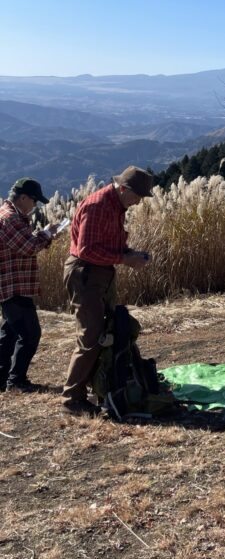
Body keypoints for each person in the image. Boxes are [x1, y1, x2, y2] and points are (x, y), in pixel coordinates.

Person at [61, 166, 154, 415]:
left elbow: (107, 245)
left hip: (100, 274)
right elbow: (86, 251)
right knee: (90, 338)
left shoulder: (116, 206)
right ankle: (72, 399)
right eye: (137, 196)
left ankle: (98, 387)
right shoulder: (99, 206)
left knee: (105, 332)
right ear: (123, 188)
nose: (138, 203)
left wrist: (129, 254)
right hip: (86, 274)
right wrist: (125, 260)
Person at [0, 178, 60, 391]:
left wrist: (41, 234)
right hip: (13, 286)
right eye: (34, 201)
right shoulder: (11, 219)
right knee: (30, 334)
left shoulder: (11, 215)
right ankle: (16, 381)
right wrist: (47, 234)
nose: (36, 206)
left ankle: (2, 378)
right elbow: (28, 247)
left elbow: (20, 243)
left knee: (10, 333)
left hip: (10, 285)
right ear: (23, 197)